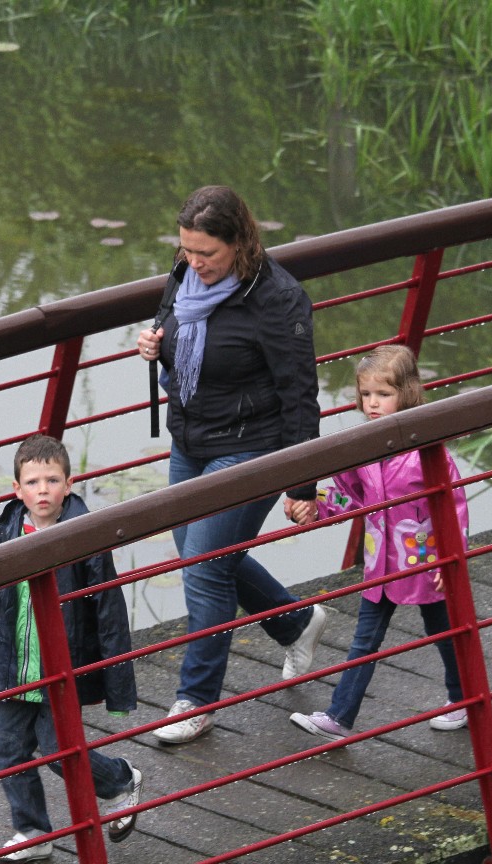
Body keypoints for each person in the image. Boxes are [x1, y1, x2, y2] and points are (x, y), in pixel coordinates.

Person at [136, 185, 328, 745]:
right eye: (187, 250)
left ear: (240, 243)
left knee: (204, 566)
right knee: (203, 554)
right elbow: (170, 326)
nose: (194, 262)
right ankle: (296, 621)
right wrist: (154, 345)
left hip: (252, 444)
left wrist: (303, 484)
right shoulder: (184, 274)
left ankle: (196, 701)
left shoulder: (278, 299)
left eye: (207, 254)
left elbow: (300, 394)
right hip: (190, 438)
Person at [283, 346, 470, 740]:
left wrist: (451, 557)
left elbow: (452, 505)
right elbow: (351, 497)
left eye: (383, 394)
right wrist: (315, 505)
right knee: (365, 640)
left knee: (444, 631)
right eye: (366, 394)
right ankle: (339, 717)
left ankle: (463, 697)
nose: (372, 403)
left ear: (408, 392)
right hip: (380, 565)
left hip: (425, 562)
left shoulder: (426, 450)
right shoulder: (364, 446)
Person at [0, 435, 141, 861]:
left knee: (57, 752)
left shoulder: (83, 535)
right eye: (32, 482)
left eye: (52, 480)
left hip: (61, 668)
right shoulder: (6, 531)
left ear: (69, 484)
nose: (42, 490)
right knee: (8, 751)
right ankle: (32, 830)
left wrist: (117, 682)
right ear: (17, 489)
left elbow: (108, 610)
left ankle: (121, 779)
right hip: (15, 666)